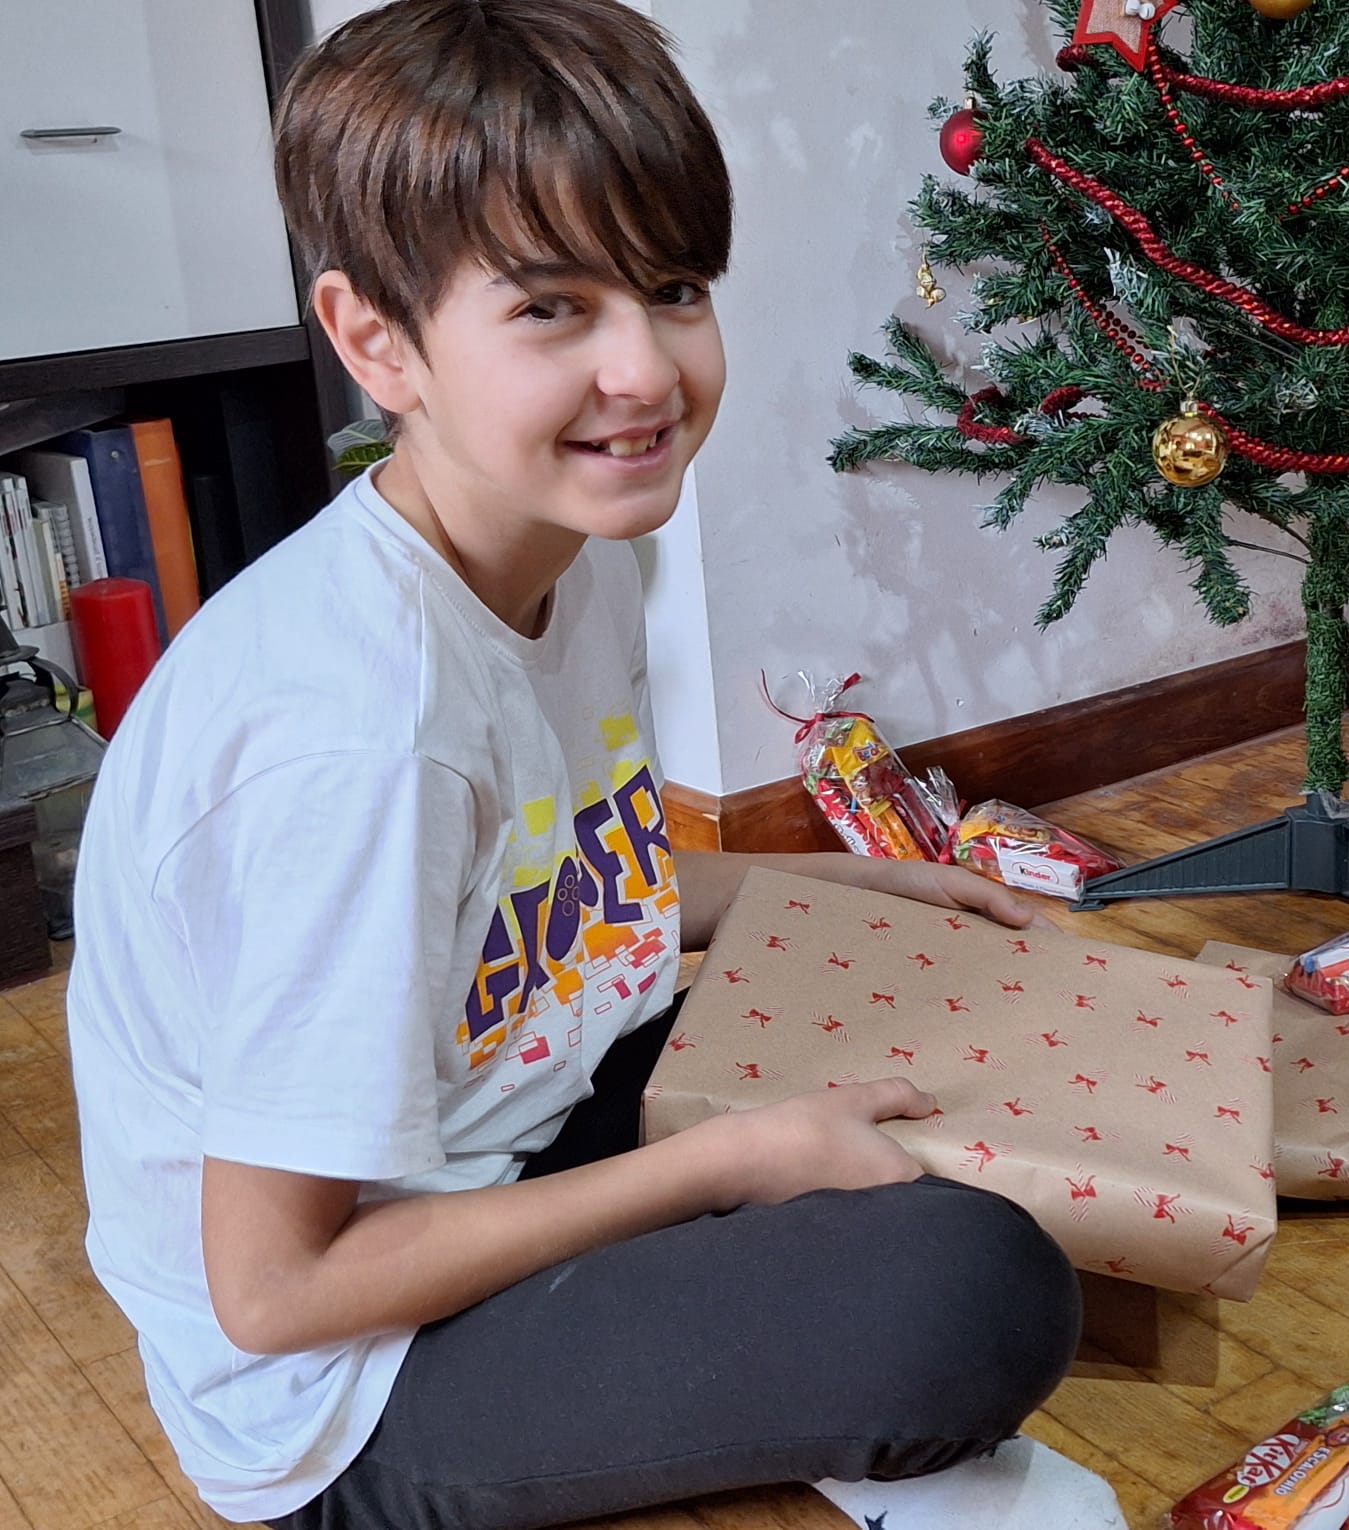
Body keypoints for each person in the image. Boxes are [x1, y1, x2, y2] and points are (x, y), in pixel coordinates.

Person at [66, 3, 1126, 1526]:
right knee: (971, 1289)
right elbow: (274, 1288)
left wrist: (864, 883)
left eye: (674, 288)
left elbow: (561, 869)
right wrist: (732, 1164)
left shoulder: (578, 539)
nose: (645, 371)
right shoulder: (362, 736)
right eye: (552, 310)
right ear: (378, 341)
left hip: (508, 1126)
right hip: (347, 1383)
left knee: (906, 1017)